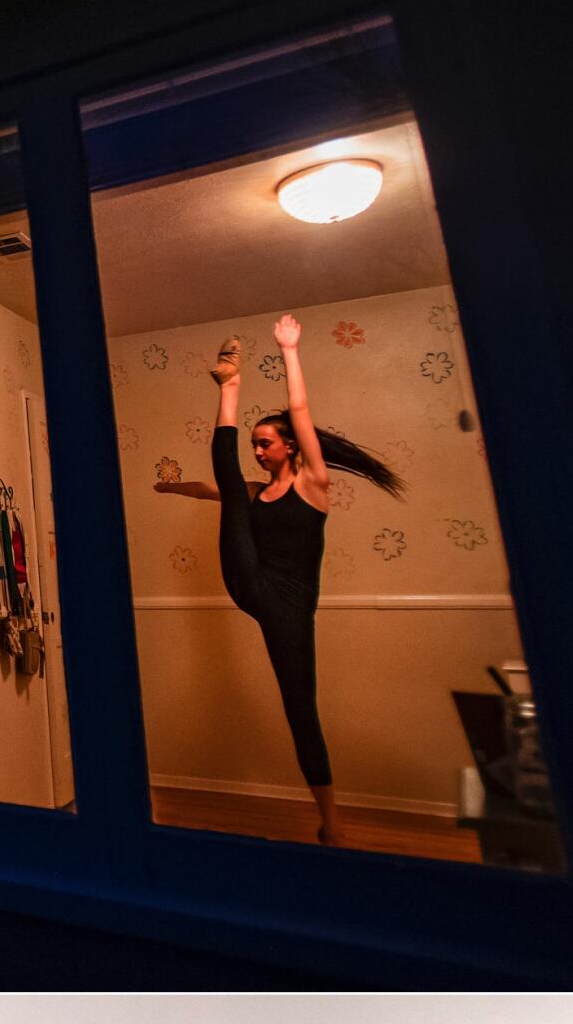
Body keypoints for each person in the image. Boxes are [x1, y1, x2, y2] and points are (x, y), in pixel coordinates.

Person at [154, 317, 405, 845]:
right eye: (254, 444)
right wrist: (172, 487)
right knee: (231, 488)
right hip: (249, 582)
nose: (259, 450)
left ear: (291, 447)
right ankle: (230, 384)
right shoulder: (253, 492)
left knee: (300, 708)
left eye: (266, 443)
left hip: (289, 608)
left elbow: (301, 413)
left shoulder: (314, 485)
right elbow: (212, 489)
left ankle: (332, 821)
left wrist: (289, 349)